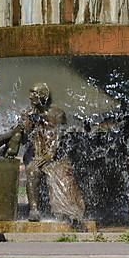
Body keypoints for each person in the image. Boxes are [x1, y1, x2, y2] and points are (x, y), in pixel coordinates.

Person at [20, 83, 85, 225]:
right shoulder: (29, 114)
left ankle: (68, 213)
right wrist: (27, 122)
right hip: (37, 156)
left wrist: (50, 155)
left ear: (44, 96)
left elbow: (60, 135)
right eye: (30, 93)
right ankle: (34, 210)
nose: (31, 96)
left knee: (62, 175)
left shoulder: (57, 113)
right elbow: (24, 138)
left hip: (55, 157)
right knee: (32, 170)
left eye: (34, 93)